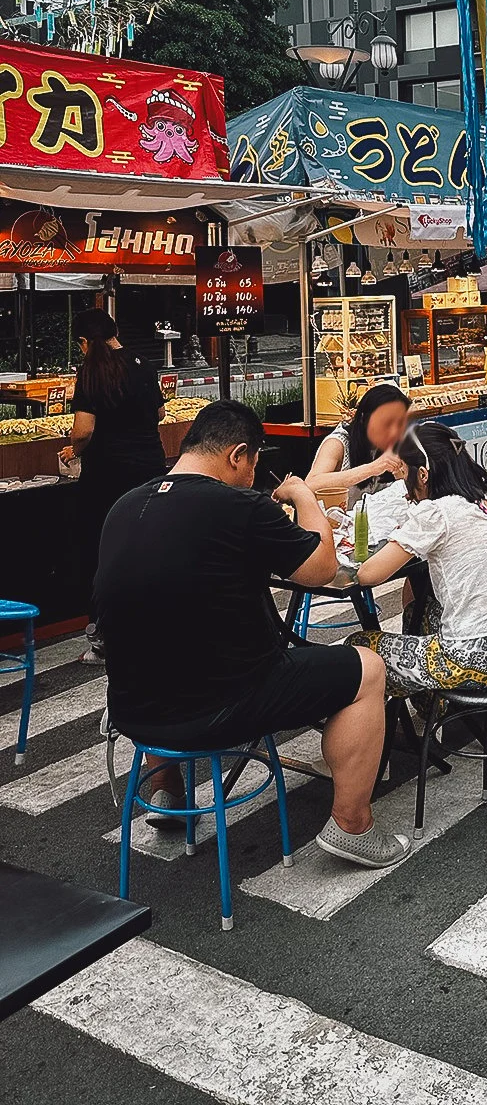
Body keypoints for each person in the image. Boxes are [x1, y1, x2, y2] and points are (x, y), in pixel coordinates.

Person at [94, 400, 406, 867]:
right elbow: (321, 569)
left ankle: (166, 792)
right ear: (238, 454)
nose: (253, 475)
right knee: (368, 669)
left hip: (132, 708)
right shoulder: (239, 505)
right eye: (254, 462)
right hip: (222, 706)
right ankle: (352, 825)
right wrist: (303, 498)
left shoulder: (124, 506)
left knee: (159, 641)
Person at [352, 422, 487, 697]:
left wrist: (402, 532)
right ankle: (433, 712)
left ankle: (390, 727)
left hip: (474, 660)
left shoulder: (436, 513)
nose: (404, 486)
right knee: (418, 611)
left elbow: (368, 575)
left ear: (423, 475)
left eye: (405, 474)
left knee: (360, 646)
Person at [60, 309, 167, 667]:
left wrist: (72, 450)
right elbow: (160, 416)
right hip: (150, 472)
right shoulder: (144, 364)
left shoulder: (90, 371)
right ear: (116, 331)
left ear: (84, 342)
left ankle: (104, 637)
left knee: (102, 552)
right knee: (147, 547)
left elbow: (84, 430)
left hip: (106, 478)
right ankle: (155, 626)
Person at [305, 383, 411, 494]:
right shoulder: (337, 443)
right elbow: (311, 484)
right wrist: (373, 468)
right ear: (363, 418)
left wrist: (402, 475)